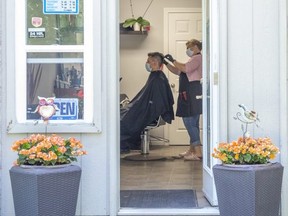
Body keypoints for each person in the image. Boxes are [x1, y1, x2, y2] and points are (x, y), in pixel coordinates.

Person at [120, 52, 174, 153]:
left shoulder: (158, 79)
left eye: (148, 61)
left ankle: (123, 146)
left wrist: (135, 107)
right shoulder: (156, 76)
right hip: (145, 108)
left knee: (121, 121)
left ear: (154, 62)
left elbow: (155, 104)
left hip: (148, 111)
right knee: (122, 114)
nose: (146, 63)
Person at [164, 39, 203, 161]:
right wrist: (166, 63)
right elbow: (178, 71)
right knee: (193, 123)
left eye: (190, 47)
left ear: (196, 47)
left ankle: (197, 152)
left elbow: (185, 69)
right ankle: (192, 150)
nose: (188, 50)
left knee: (189, 122)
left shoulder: (198, 58)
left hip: (192, 92)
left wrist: (173, 60)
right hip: (188, 93)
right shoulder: (192, 60)